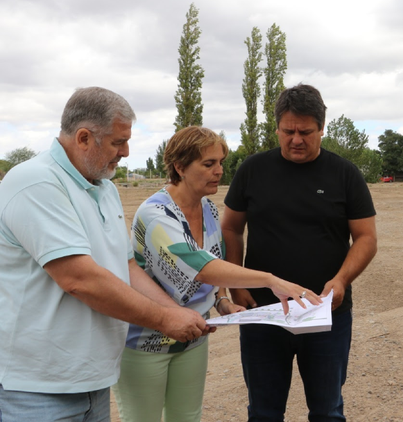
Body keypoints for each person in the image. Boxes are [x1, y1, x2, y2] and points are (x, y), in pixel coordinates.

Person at [0, 87, 208, 421]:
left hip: (93, 382)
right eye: (117, 142)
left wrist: (175, 310)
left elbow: (128, 268)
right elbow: (79, 279)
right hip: (37, 389)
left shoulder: (105, 187)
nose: (126, 152)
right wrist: (165, 320)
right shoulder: (36, 182)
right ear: (83, 137)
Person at [112, 126, 321, 422]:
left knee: (187, 417)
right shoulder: (156, 213)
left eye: (221, 162)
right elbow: (202, 266)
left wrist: (221, 300)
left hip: (194, 336)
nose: (219, 171)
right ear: (180, 167)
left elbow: (215, 261)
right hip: (146, 340)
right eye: (209, 164)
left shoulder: (209, 209)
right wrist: (271, 280)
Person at [221, 83, 378, 421]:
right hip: (263, 312)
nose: (296, 139)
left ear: (322, 128)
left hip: (326, 315)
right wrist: (237, 285)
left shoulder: (345, 174)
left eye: (305, 132)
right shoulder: (252, 170)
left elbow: (366, 238)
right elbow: (231, 227)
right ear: (276, 127)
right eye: (288, 131)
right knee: (263, 412)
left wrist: (341, 280)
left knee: (327, 411)